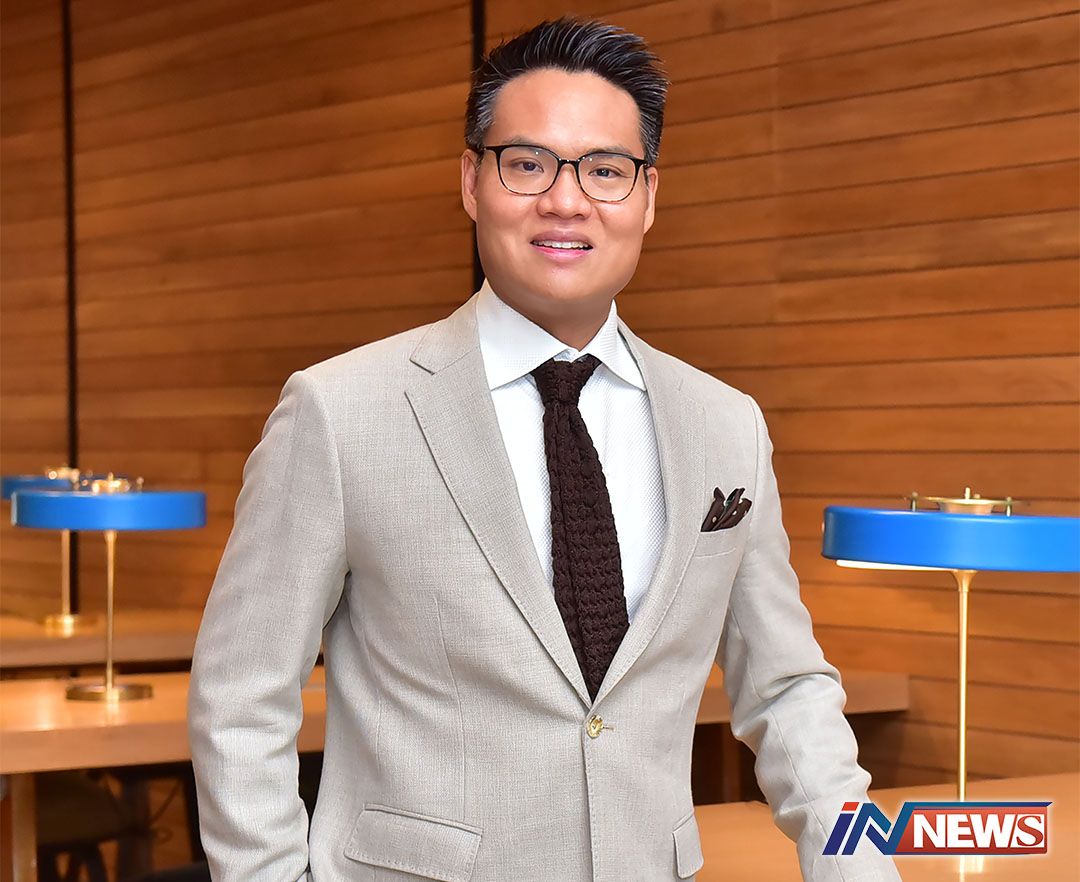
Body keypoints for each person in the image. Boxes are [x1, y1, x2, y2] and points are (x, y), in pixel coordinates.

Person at [188, 18, 901, 882]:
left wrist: (861, 869)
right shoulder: (339, 412)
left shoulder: (728, 425)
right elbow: (241, 697)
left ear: (647, 195)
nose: (566, 201)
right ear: (472, 181)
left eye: (605, 169)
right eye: (527, 164)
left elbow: (787, 692)